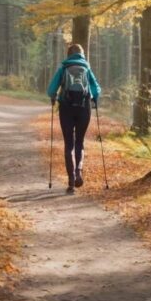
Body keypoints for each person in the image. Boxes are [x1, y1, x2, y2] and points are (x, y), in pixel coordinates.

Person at [47, 44, 101, 194]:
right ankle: (79, 172)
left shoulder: (64, 68)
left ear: (69, 54)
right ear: (82, 54)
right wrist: (94, 99)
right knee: (80, 142)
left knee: (69, 143)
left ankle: (71, 181)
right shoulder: (86, 68)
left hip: (66, 108)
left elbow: (50, 90)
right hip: (84, 108)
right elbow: (96, 89)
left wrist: (54, 97)